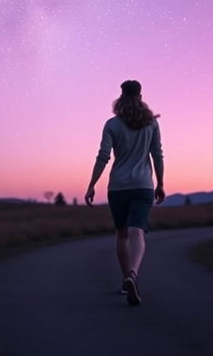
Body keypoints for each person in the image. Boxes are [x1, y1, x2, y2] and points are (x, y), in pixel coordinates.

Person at [85, 80, 165, 306]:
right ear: (140, 96)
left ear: (121, 96)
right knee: (137, 231)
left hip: (118, 187)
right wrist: (160, 182)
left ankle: (125, 279)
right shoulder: (151, 124)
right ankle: (133, 274)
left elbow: (103, 156)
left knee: (121, 234)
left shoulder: (111, 124)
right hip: (143, 186)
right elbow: (157, 155)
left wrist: (92, 184)